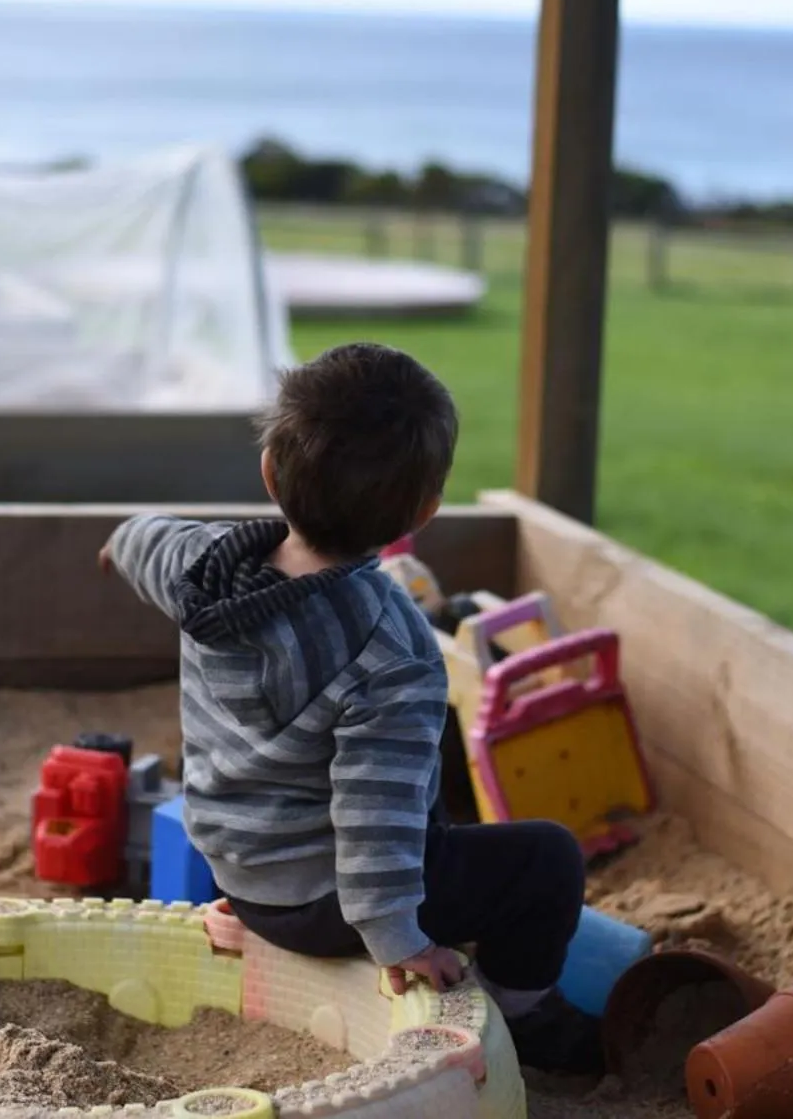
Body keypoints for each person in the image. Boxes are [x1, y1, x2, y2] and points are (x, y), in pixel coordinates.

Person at [98, 341, 603, 1075]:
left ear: (270, 469)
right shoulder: (392, 646)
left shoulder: (198, 565)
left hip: (241, 871)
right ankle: (527, 1014)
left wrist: (116, 543)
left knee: (433, 824)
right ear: (422, 512)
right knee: (547, 857)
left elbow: (146, 537)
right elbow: (376, 819)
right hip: (332, 904)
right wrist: (402, 942)